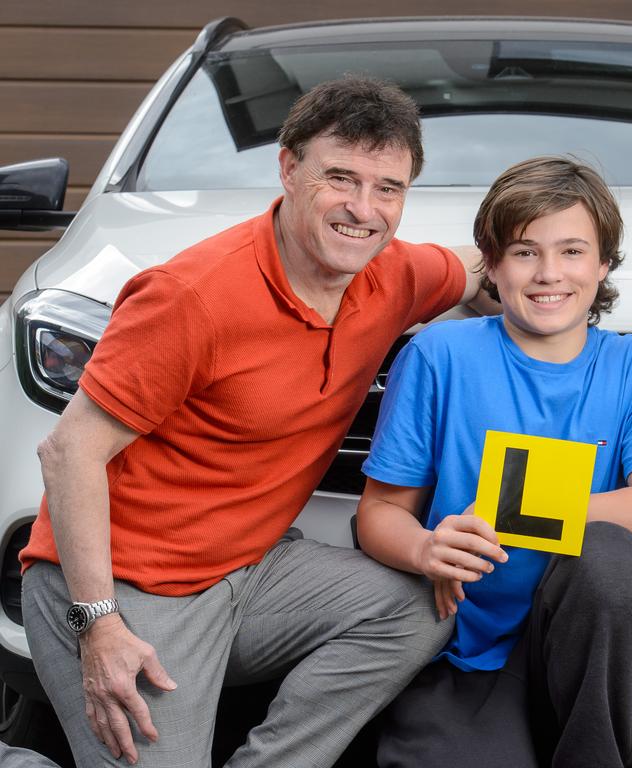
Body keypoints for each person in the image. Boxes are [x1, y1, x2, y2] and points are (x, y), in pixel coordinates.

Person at [18, 75, 485, 768]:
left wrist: (552, 275)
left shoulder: (391, 273)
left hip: (255, 570)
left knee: (420, 606)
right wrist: (100, 624)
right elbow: (69, 452)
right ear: (289, 168)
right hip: (131, 585)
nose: (364, 209)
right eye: (341, 178)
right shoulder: (193, 296)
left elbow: (483, 268)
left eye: (388, 188)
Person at [356, 156, 632, 767]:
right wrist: (423, 548)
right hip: (463, 642)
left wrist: (520, 510)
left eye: (572, 251)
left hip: (587, 644)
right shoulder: (439, 356)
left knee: (612, 555)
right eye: (523, 252)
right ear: (490, 264)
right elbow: (380, 511)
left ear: (604, 263)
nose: (549, 274)